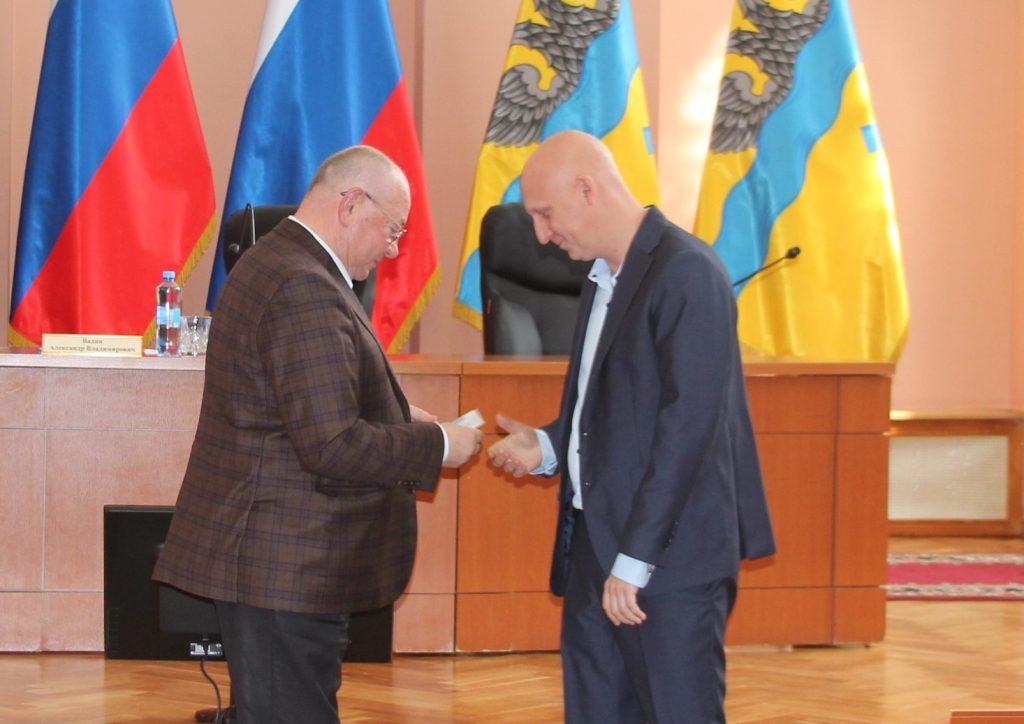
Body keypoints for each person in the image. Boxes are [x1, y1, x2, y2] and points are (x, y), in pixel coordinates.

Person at [153, 145, 483, 724]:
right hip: (285, 565)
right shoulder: (302, 284)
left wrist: (397, 414)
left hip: (277, 561)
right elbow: (331, 444)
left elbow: (302, 403)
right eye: (393, 229)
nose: (394, 248)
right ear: (352, 204)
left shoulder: (284, 262)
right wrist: (441, 445)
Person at [487, 130, 776, 723]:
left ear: (587, 189)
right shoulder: (603, 277)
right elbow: (615, 409)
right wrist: (549, 444)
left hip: (667, 560)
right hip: (598, 545)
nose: (540, 235)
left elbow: (688, 430)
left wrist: (635, 560)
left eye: (545, 213)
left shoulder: (688, 272)